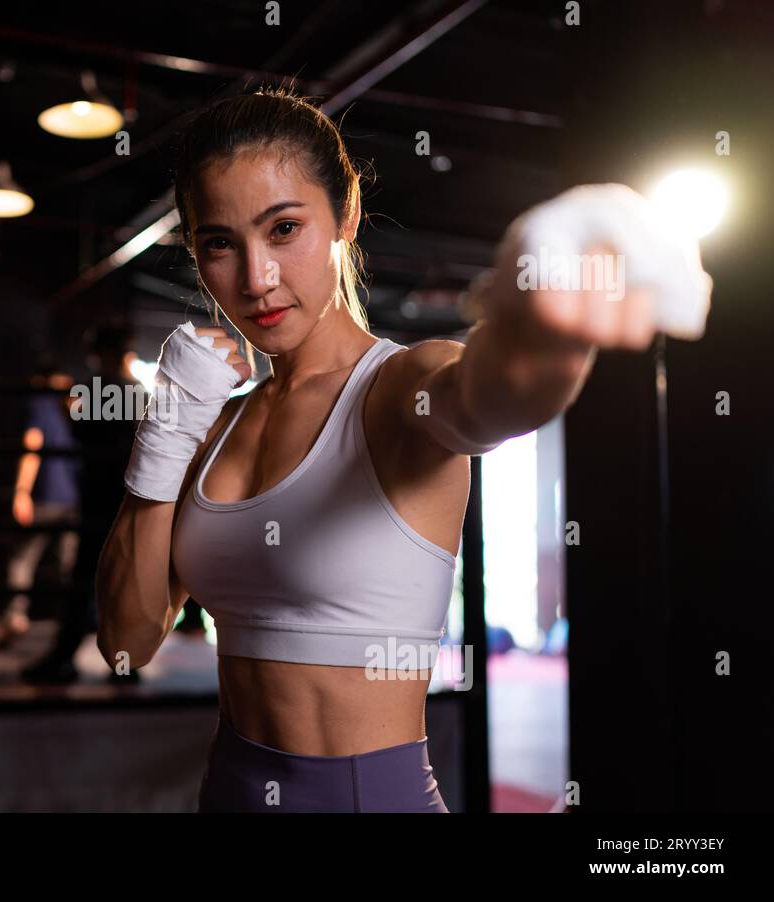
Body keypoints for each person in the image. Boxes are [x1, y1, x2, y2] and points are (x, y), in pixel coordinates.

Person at [95, 86, 710, 811]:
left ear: (346, 216)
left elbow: (485, 396)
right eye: (220, 243)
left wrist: (542, 327)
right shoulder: (213, 428)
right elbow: (126, 643)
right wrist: (164, 439)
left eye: (285, 228)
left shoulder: (397, 389)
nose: (257, 278)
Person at [20, 318, 141, 684]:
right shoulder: (139, 392)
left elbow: (77, 430)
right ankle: (123, 664)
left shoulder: (94, 391)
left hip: (98, 496)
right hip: (127, 497)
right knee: (121, 579)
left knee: (87, 578)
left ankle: (66, 656)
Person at [0, 355, 80, 649]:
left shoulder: (41, 405)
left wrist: (21, 492)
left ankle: (15, 619)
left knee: (22, 561)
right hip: (71, 500)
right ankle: (73, 627)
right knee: (69, 568)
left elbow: (32, 445)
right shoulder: (72, 410)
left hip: (44, 498)